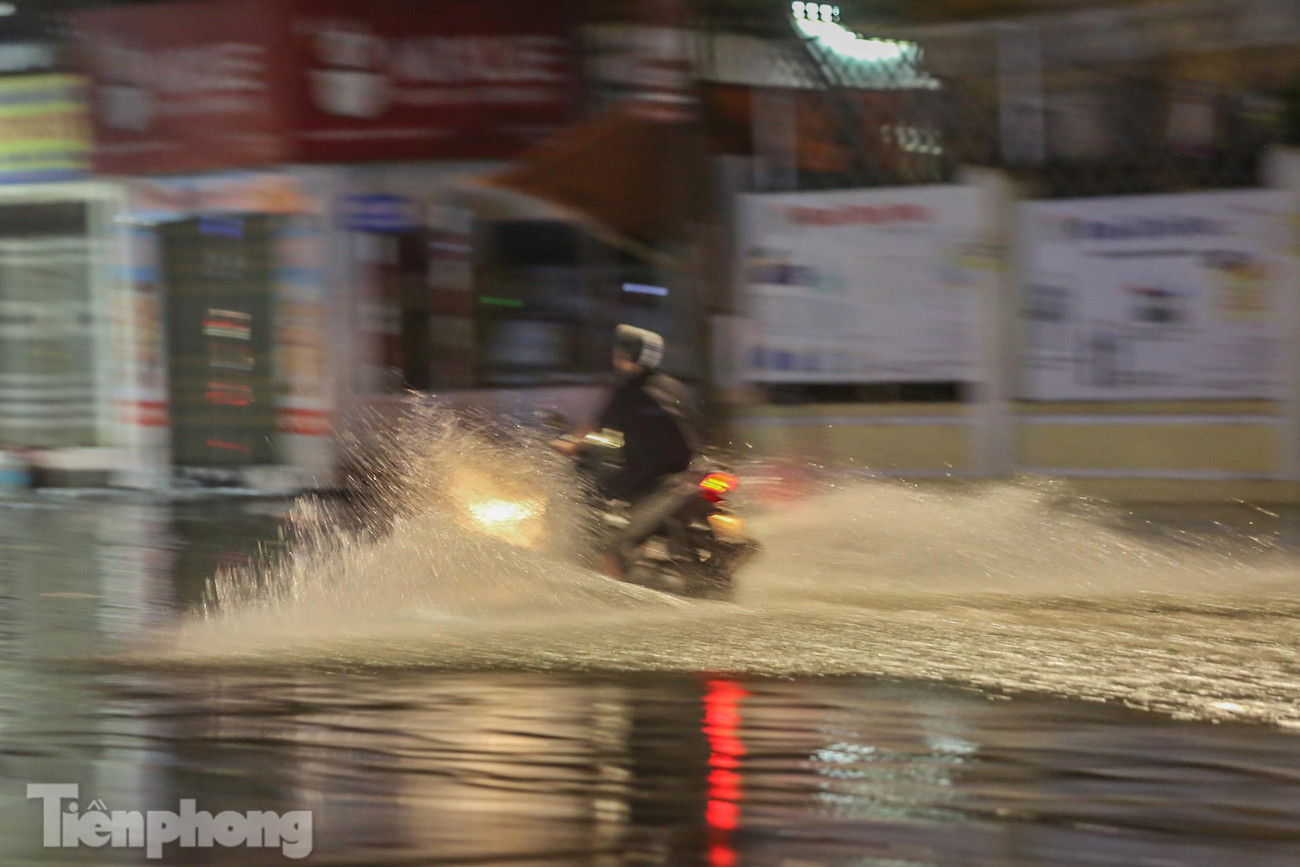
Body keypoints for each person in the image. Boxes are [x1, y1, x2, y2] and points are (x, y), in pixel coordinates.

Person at [554, 325, 696, 574]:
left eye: (620, 351)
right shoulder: (672, 385)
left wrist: (569, 445)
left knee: (591, 498)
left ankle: (605, 574)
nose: (616, 356)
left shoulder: (627, 391)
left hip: (646, 473)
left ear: (628, 355)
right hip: (686, 470)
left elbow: (593, 430)